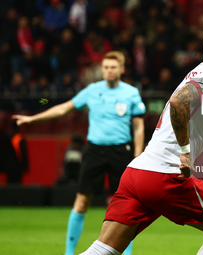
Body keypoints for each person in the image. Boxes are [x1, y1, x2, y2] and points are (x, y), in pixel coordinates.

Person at [80, 19, 203, 255]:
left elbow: (184, 115)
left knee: (104, 249)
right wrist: (186, 152)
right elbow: (179, 104)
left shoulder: (200, 71)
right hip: (166, 175)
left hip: (137, 174)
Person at [12, 51, 145, 255]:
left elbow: (138, 127)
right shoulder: (92, 90)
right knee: (82, 201)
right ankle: (69, 252)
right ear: (102, 69)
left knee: (126, 206)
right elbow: (63, 109)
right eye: (106, 67)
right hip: (94, 150)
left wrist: (137, 155)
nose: (109, 71)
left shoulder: (131, 93)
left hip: (121, 151)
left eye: (113, 67)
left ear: (122, 69)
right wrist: (32, 119)